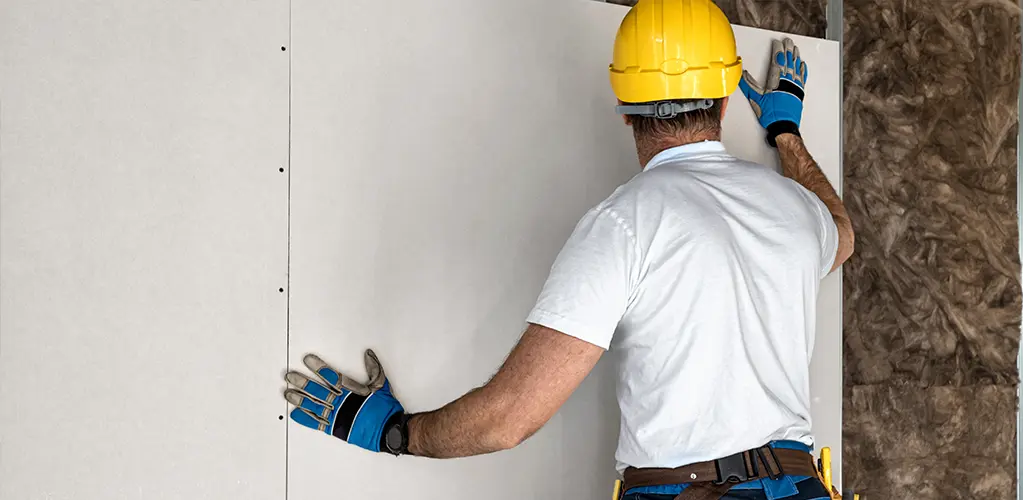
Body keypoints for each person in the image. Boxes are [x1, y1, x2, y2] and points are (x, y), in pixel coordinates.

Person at [281, 1, 854, 499]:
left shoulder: (625, 225)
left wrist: (396, 433)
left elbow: (509, 419)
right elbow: (842, 235)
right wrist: (786, 134)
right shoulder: (795, 211)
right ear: (725, 99)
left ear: (625, 107)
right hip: (797, 490)